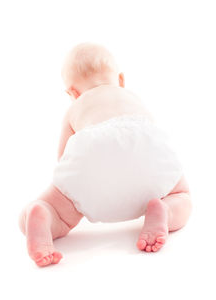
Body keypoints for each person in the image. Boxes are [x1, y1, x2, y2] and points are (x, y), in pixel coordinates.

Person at [19, 43, 192, 267]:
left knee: (57, 210)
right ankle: (165, 211)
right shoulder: (130, 96)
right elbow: (153, 139)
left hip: (93, 150)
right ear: (120, 80)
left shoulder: (75, 107)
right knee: (181, 195)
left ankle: (42, 214)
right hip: (145, 143)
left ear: (73, 92)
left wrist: (68, 194)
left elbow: (63, 158)